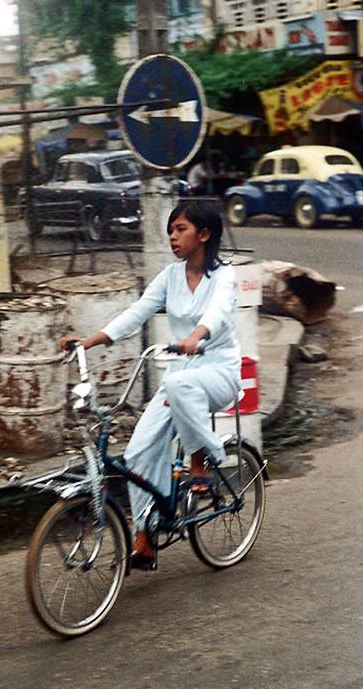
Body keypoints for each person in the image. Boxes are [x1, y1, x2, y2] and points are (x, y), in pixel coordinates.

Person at [60, 200, 241, 569]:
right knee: (138, 452)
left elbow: (219, 312)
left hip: (219, 372)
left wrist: (196, 336)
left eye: (181, 229)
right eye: (170, 230)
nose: (173, 237)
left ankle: (202, 458)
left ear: (204, 234)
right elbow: (137, 312)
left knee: (180, 385)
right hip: (181, 379)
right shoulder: (170, 276)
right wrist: (89, 341)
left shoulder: (224, 277)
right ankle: (145, 535)